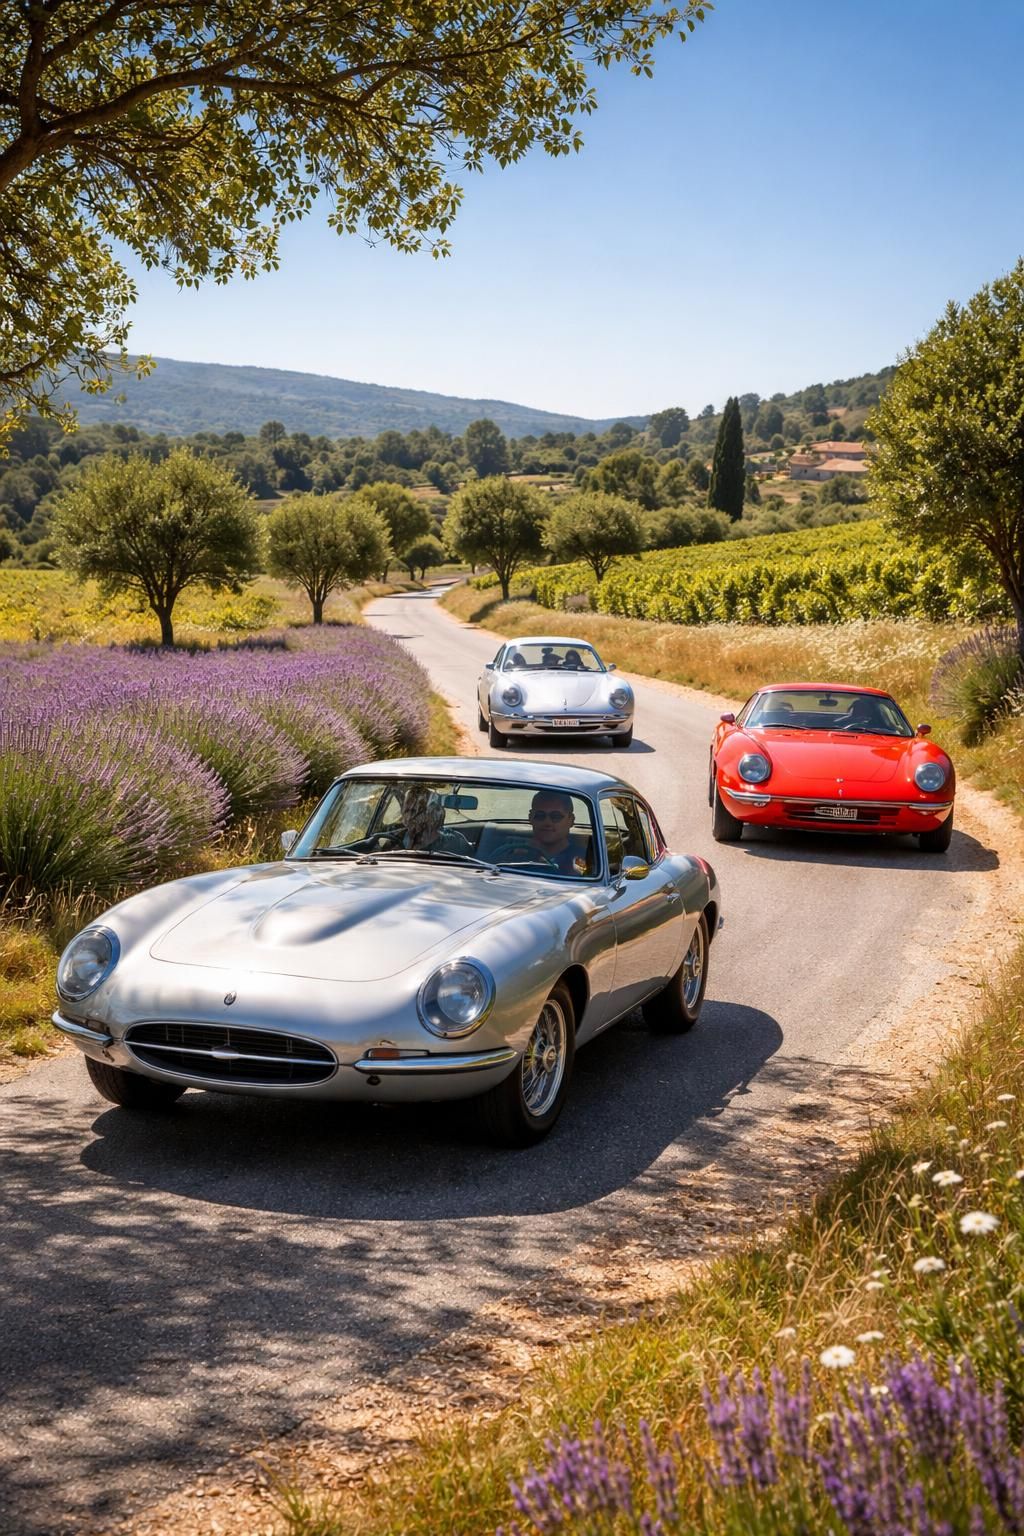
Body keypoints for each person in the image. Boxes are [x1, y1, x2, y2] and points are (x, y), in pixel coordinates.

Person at [495, 790, 585, 875]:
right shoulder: (514, 852)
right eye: (540, 816)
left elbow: (585, 884)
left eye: (556, 816)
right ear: (530, 817)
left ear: (571, 820)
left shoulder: (580, 858)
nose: (547, 822)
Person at [399, 784, 471, 854]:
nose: (408, 817)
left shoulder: (455, 843)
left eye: (415, 811)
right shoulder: (397, 839)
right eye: (406, 810)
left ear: (433, 814)